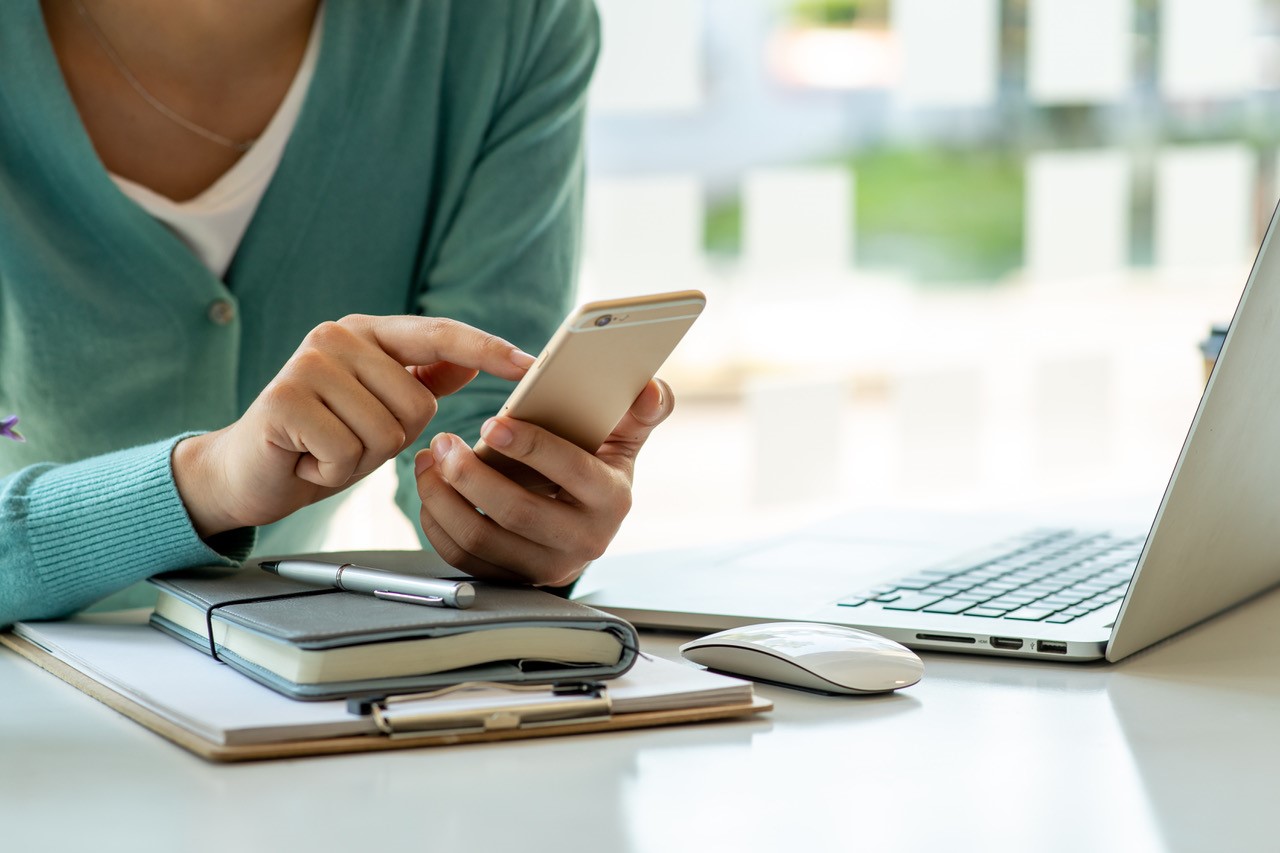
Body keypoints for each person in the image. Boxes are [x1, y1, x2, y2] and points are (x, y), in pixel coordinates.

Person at [0, 0, 674, 627]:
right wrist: (207, 480)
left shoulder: (509, 22)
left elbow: (477, 435)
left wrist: (527, 525)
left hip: (280, 697)